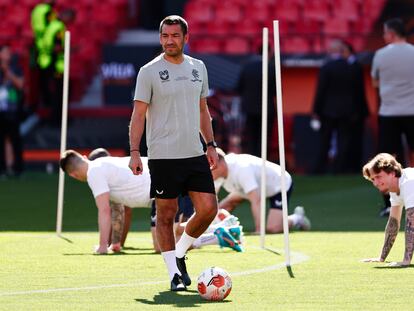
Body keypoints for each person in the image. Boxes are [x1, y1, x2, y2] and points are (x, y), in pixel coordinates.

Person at [128, 15, 219, 291]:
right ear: (160, 39)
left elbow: (202, 109)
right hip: (163, 156)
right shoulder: (149, 71)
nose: (170, 41)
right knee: (166, 214)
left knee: (209, 209)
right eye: (165, 36)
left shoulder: (198, 67)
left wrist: (211, 144)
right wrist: (134, 151)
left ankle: (180, 253)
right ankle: (173, 275)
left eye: (175, 36)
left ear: (185, 38)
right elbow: (139, 114)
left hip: (194, 152)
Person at [87, 148, 243, 253]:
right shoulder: (116, 170)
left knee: (165, 244)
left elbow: (122, 211)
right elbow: (123, 210)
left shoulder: (105, 173)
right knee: (170, 238)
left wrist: (112, 244)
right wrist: (116, 244)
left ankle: (215, 234)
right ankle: (218, 231)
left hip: (165, 188)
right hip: (170, 186)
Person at [371, 18, 414, 217]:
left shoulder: (380, 54)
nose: (383, 37)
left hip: (389, 112)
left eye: (385, 33)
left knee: (387, 161)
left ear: (391, 33)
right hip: (412, 110)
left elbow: (375, 82)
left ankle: (390, 204)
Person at [212, 148, 311, 234]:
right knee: (221, 207)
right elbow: (213, 199)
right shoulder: (218, 171)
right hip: (250, 188)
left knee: (273, 228)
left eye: (211, 167)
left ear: (220, 163)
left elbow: (256, 200)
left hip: (278, 184)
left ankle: (297, 218)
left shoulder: (242, 169)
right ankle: (219, 230)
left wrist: (259, 229)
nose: (209, 170)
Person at [312, 39, 369, 174]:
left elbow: (321, 91)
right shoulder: (351, 67)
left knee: (325, 140)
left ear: (331, 51)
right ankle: (340, 168)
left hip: (328, 111)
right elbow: (357, 91)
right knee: (344, 140)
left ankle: (320, 169)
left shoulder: (326, 67)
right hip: (347, 111)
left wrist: (316, 110)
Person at [362, 153, 414, 267]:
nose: (375, 183)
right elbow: (393, 223)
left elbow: (412, 223)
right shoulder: (394, 187)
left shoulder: (409, 183)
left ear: (392, 173)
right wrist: (382, 258)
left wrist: (406, 260)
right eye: (372, 179)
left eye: (378, 176)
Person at [37, 8, 75, 125]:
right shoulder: (58, 27)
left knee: (56, 93)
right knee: (60, 94)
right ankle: (57, 120)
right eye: (71, 19)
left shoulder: (52, 25)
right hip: (55, 65)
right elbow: (57, 48)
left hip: (46, 63)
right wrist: (70, 49)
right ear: (66, 16)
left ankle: (56, 119)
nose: (71, 22)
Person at [236, 47, 276, 158]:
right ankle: (263, 162)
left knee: (251, 137)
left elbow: (238, 88)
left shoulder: (247, 67)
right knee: (264, 139)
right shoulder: (272, 67)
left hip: (249, 109)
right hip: (267, 109)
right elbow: (277, 91)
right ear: (269, 52)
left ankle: (252, 161)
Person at [0, 45, 24, 177]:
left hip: (12, 109)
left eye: (9, 52)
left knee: (15, 139)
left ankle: (17, 168)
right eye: (4, 52)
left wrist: (7, 72)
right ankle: (2, 168)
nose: (7, 54)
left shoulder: (16, 68)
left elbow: (20, 85)